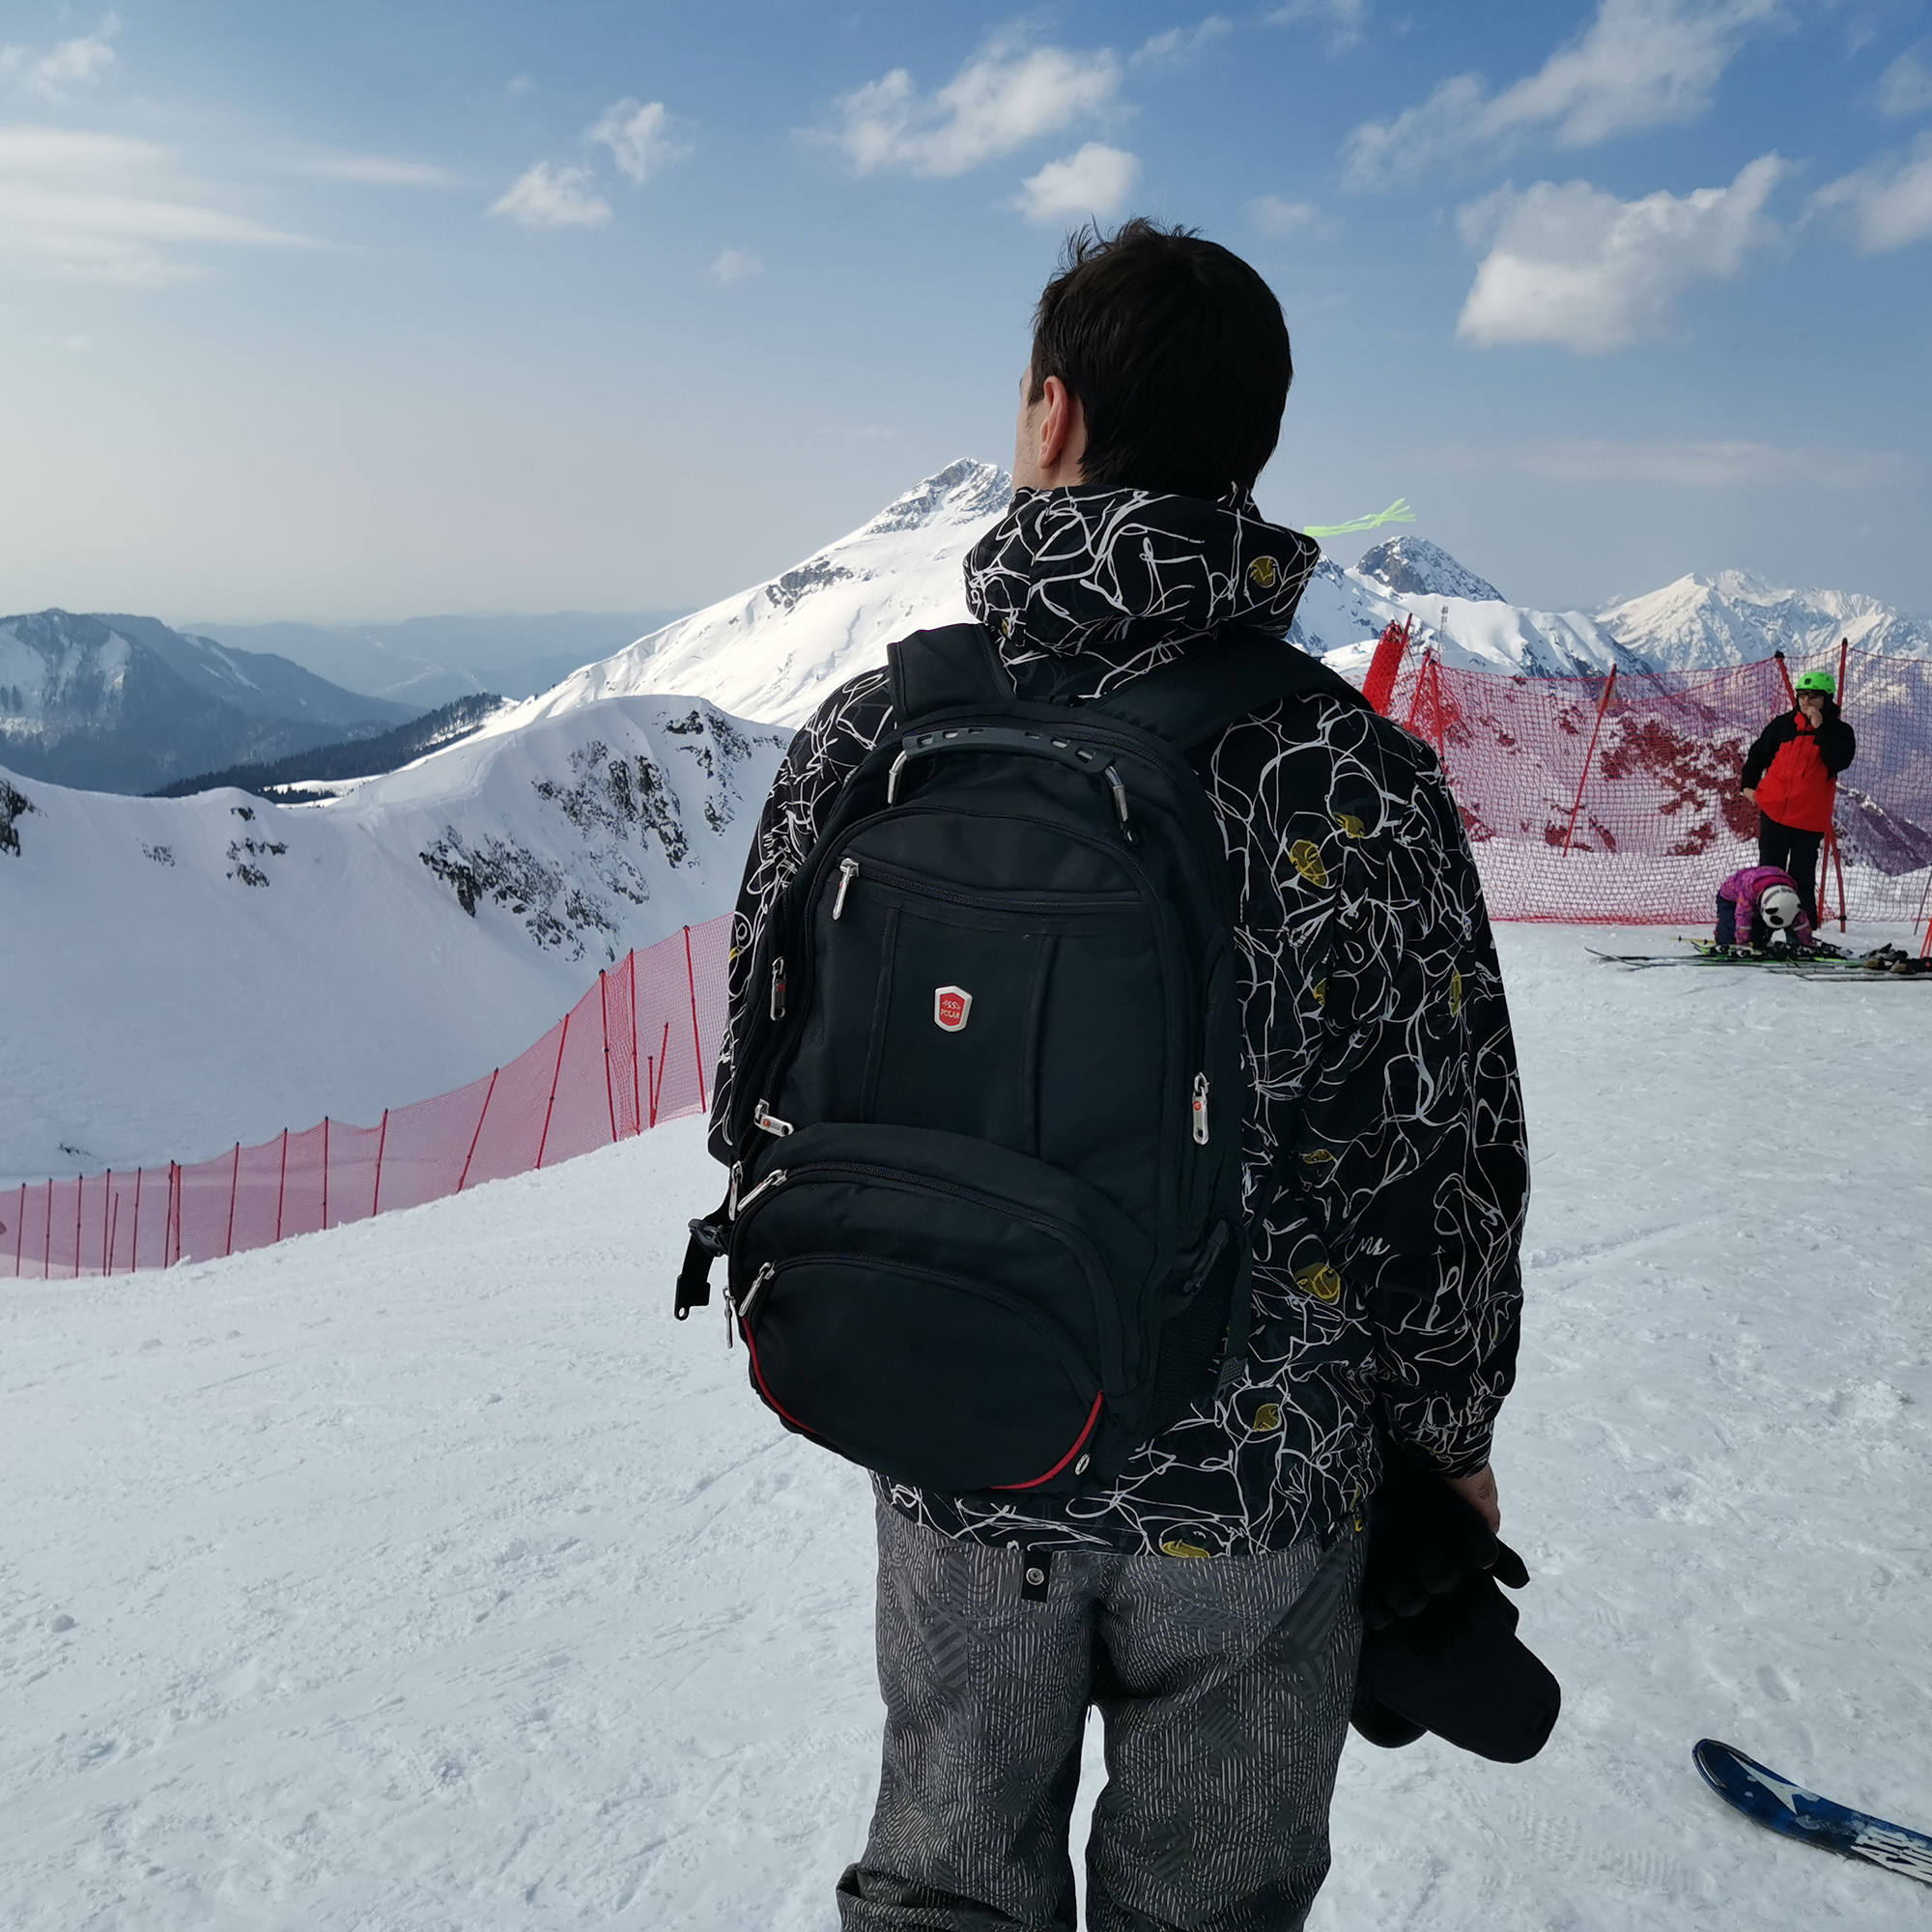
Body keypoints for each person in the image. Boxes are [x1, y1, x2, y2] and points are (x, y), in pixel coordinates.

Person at [707, 220, 1528, 1931]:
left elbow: (751, 1080)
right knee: (1210, 1902)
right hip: (1254, 1471)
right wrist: (1449, 1441)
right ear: (1255, 450)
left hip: (956, 1418)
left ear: (1053, 414)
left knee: (943, 1879)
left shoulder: (874, 732)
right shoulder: (1344, 774)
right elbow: (1435, 1163)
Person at [1740, 667, 1856, 927]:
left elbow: (1839, 760)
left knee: (1801, 877)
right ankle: (1760, 930)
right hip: (1774, 811)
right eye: (1802, 695)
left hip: (1808, 818)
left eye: (1814, 696)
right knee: (1769, 874)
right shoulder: (1783, 725)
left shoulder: (1840, 731)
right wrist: (1748, 785)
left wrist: (1821, 729)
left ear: (1827, 699)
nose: (1806, 701)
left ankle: (1803, 932)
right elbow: (1758, 753)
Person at [1714, 865, 1812, 951]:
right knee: (1729, 939)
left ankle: (1760, 937)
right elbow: (1743, 918)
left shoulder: (1790, 898)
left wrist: (1807, 944)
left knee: (1759, 940)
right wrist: (1743, 944)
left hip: (1762, 897)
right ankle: (1722, 932)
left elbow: (1801, 922)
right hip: (1730, 900)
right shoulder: (1748, 889)